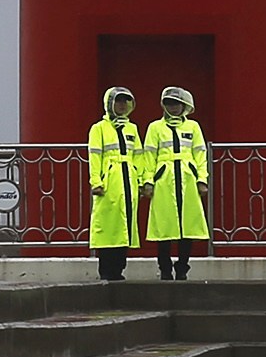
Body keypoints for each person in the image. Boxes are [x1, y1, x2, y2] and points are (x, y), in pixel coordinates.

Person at [141, 84, 210, 281]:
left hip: (187, 180)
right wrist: (148, 181)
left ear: (184, 105)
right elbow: (149, 155)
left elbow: (200, 154)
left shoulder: (193, 127)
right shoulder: (155, 127)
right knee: (164, 227)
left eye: (177, 104)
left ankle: (182, 268)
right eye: (169, 104)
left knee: (187, 226)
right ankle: (164, 268)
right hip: (164, 180)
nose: (173, 108)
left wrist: (202, 179)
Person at [87, 85, 146, 280]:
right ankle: (106, 271)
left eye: (125, 101)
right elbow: (94, 156)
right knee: (108, 227)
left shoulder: (132, 128)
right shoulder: (99, 128)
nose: (121, 105)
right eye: (118, 101)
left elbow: (138, 156)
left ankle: (119, 269)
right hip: (109, 182)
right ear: (109, 104)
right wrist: (96, 181)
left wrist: (141, 179)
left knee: (125, 226)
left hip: (128, 181)